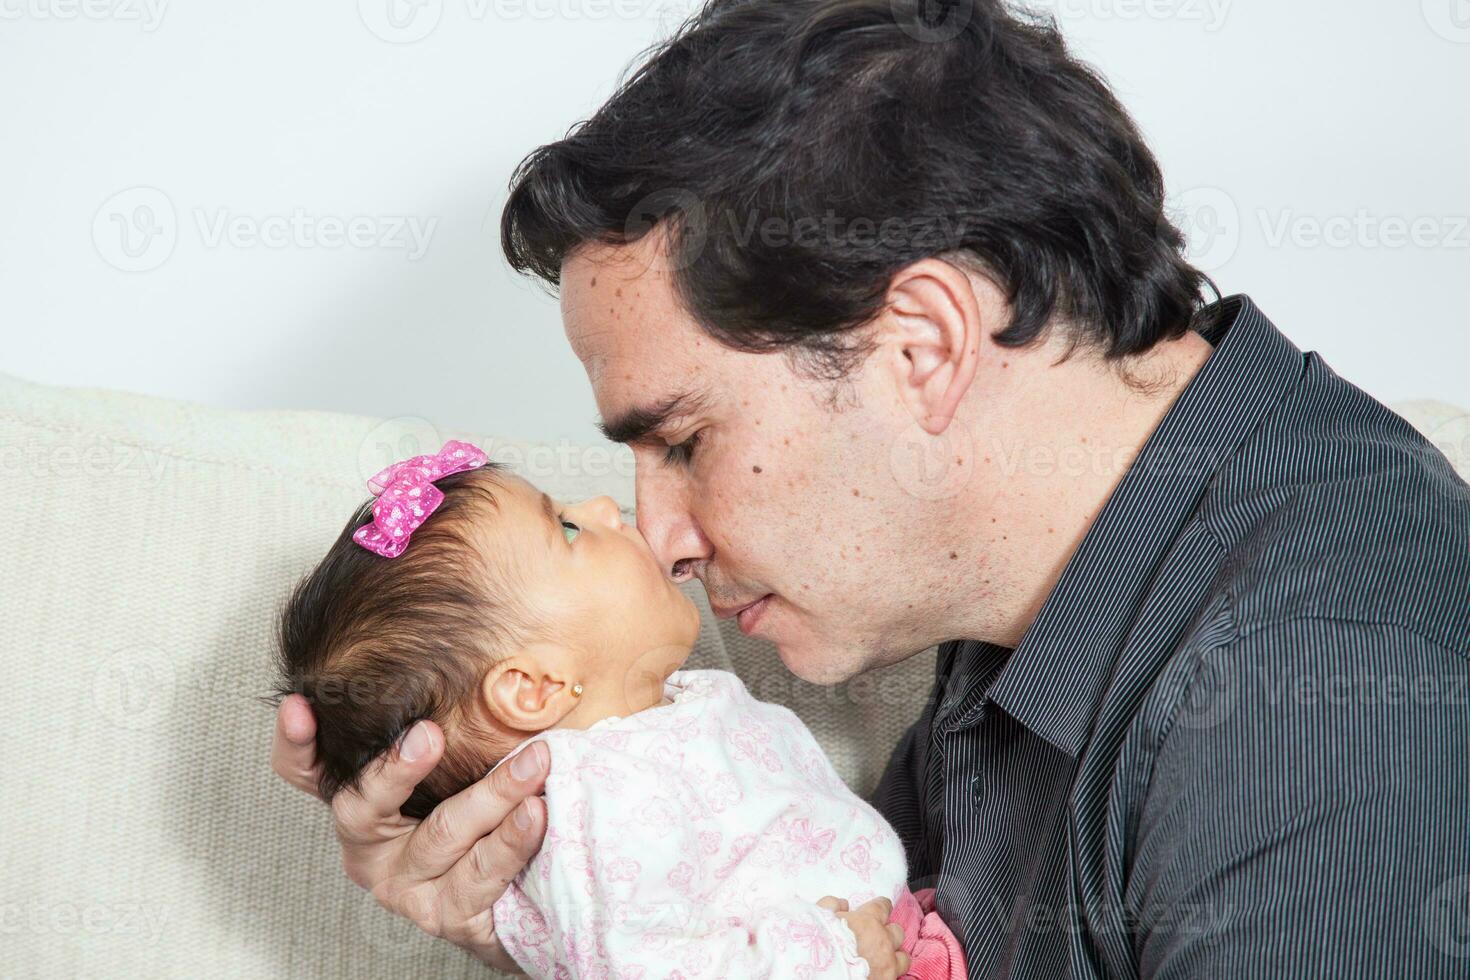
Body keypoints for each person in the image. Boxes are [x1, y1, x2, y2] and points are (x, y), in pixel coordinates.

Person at [272, 0, 1470, 975]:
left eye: (683, 440)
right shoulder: (1022, 557)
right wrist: (540, 909)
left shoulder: (1315, 695)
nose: (662, 535)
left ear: (925, 347)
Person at [271, 441, 963, 977]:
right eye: (567, 529)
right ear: (533, 688)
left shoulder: (654, 728)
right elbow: (650, 969)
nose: (607, 507)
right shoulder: (607, 801)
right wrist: (831, 957)